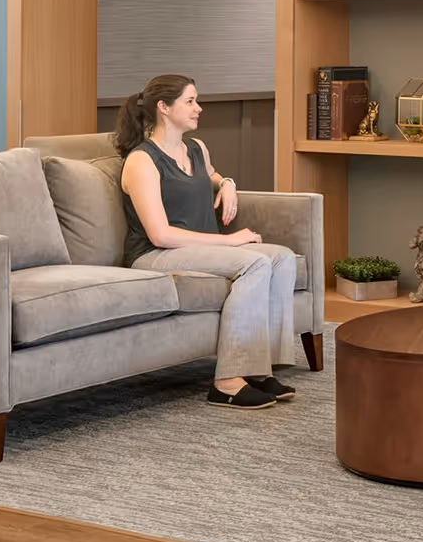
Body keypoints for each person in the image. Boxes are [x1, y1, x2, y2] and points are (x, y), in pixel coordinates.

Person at [117, 74, 300, 410]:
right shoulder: (141, 161)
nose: (198, 108)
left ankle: (260, 370)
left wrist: (227, 182)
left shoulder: (196, 148)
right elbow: (160, 234)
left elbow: (212, 176)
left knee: (283, 257)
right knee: (255, 261)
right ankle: (227, 381)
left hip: (197, 251)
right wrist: (228, 242)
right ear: (163, 107)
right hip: (155, 254)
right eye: (190, 101)